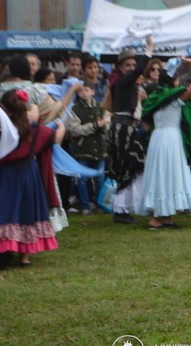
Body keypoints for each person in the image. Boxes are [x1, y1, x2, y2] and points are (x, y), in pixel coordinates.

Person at [135, 58, 191, 229]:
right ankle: (157, 218)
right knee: (168, 173)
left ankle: (165, 216)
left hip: (158, 138)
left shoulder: (155, 96)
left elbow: (145, 121)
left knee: (161, 174)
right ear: (173, 81)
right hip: (171, 139)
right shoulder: (174, 96)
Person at [0, 90, 60, 266]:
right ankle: (24, 257)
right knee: (27, 210)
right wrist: (61, 127)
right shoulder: (33, 127)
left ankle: (5, 248)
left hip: (6, 174)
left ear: (4, 107)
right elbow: (51, 136)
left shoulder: (4, 126)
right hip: (28, 172)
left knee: (6, 209)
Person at [107, 39, 153, 224]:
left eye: (133, 64)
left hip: (126, 126)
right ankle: (120, 210)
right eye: (128, 65)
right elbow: (139, 71)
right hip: (122, 127)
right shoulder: (122, 82)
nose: (131, 68)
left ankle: (123, 208)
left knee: (132, 167)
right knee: (128, 167)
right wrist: (149, 49)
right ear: (120, 67)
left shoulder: (126, 83)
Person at [67, 81, 109, 215]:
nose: (83, 93)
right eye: (80, 91)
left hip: (100, 148)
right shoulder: (75, 109)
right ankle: (85, 206)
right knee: (83, 179)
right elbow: (75, 130)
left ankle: (100, 204)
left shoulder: (101, 106)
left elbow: (107, 125)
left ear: (93, 91)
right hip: (83, 149)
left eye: (86, 90)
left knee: (99, 178)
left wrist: (104, 126)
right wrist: (95, 125)